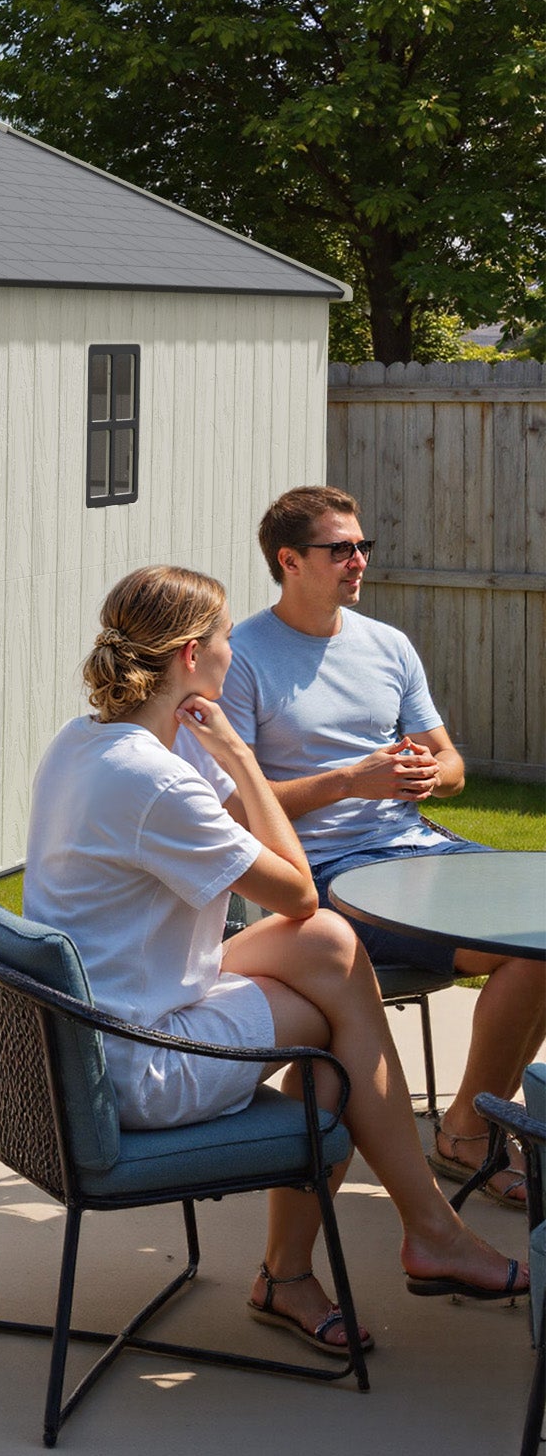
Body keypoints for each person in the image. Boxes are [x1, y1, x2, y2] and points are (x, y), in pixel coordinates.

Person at [26, 564, 524, 1359]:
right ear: (192, 656)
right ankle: (388, 1243)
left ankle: (396, 1242)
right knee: (333, 1025)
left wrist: (223, 752)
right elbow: (296, 889)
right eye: (227, 638)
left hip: (102, 1016)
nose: (236, 650)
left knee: (330, 946)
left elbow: (289, 899)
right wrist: (245, 758)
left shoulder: (87, 740)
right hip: (141, 1060)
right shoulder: (156, 782)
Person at [223, 485, 546, 1209]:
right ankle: (469, 1136)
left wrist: (433, 775)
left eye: (362, 545)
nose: (359, 560)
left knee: (540, 929)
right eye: (340, 549)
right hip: (325, 876)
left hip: (417, 847)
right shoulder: (241, 657)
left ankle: (476, 1122)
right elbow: (233, 809)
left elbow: (452, 765)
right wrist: (348, 782)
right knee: (527, 950)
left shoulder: (387, 645)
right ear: (289, 561)